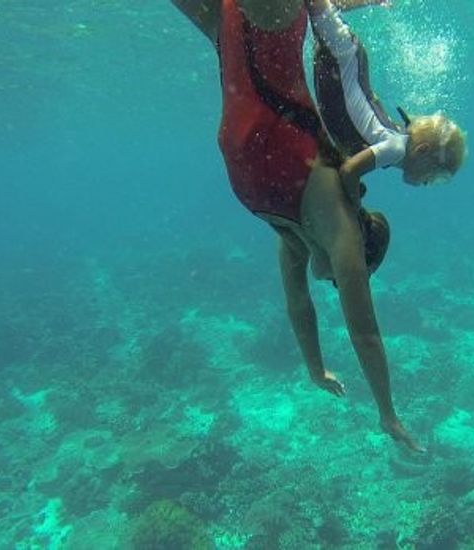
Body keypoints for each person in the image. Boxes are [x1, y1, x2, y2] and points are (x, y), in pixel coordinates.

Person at [170, 0, 422, 452]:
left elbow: (298, 305)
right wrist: (388, 414)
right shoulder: (341, 229)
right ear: (362, 252)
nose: (330, 280)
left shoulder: (296, 240)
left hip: (237, 53)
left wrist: (315, 369)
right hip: (271, 37)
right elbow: (365, 332)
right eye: (347, 278)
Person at [307, 0, 467, 204]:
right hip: (343, 56)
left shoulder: (392, 144)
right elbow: (349, 171)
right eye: (435, 175)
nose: (428, 183)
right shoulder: (395, 148)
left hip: (343, 58)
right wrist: (354, 207)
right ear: (422, 150)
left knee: (314, 9)